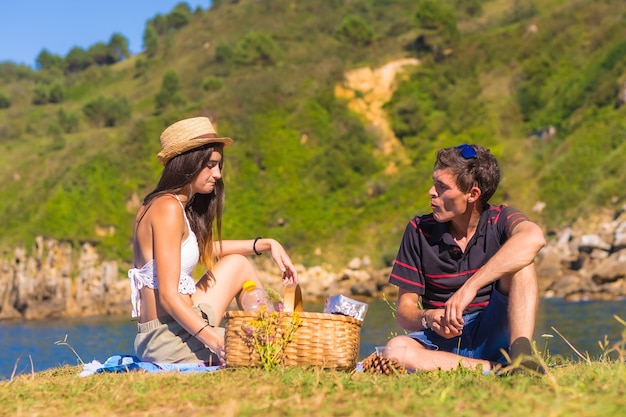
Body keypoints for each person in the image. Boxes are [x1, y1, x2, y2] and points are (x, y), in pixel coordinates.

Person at [128, 116, 298, 366]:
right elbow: (167, 296)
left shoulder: (169, 204)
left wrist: (264, 244)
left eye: (219, 166)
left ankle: (273, 333)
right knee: (268, 350)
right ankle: (276, 339)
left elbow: (198, 249)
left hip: (176, 327)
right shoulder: (167, 208)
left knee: (238, 264)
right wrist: (216, 341)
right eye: (211, 165)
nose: (217, 174)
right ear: (189, 164)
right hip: (166, 339)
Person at [384, 144, 546, 373]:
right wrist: (429, 318)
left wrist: (470, 287)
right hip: (442, 343)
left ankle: (522, 355)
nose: (431, 192)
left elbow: (534, 237)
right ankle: (501, 370)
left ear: (472, 194)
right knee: (395, 351)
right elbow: (404, 311)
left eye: (442, 187)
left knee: (523, 261)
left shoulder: (501, 219)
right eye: (434, 183)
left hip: (493, 331)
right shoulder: (419, 230)